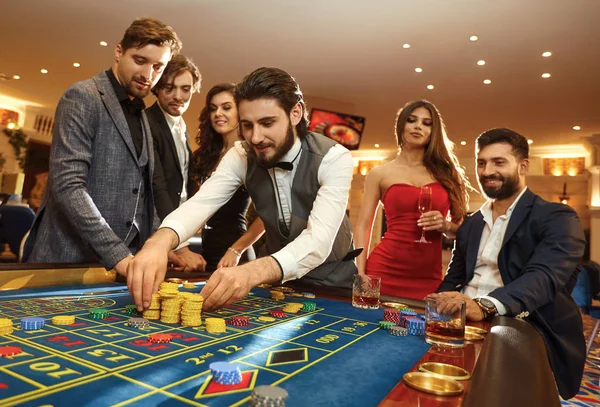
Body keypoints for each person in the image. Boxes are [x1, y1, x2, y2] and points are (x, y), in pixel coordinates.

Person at [127, 67, 357, 312]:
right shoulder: (241, 154)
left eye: (267, 123)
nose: (256, 137)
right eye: (247, 125)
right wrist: (159, 242)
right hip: (276, 284)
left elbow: (318, 241)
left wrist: (252, 272)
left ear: (295, 113)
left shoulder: (334, 157)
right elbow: (201, 203)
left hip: (332, 283)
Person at [431, 128, 586, 400]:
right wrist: (437, 307)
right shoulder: (471, 223)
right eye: (482, 162)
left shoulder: (557, 216)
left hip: (519, 323)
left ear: (523, 165)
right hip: (463, 322)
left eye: (499, 162)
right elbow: (452, 278)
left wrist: (484, 305)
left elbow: (544, 277)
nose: (487, 170)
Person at [22, 18, 182, 276]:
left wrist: (156, 244)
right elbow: (68, 186)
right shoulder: (83, 96)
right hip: (67, 260)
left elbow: (143, 194)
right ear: (118, 51)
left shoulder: (142, 114)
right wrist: (118, 255)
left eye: (158, 67)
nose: (148, 75)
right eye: (140, 61)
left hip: (118, 267)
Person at [354, 100, 470, 299]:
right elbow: (363, 226)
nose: (418, 126)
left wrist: (445, 226)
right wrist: (360, 273)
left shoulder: (448, 174)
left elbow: (464, 232)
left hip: (428, 276)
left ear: (433, 132)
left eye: (427, 123)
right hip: (383, 269)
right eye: (412, 120)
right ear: (401, 126)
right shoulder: (379, 173)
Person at [190, 83, 263, 272]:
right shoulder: (207, 155)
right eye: (213, 109)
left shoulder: (250, 155)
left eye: (226, 107)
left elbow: (267, 217)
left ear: (240, 112)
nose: (218, 113)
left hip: (235, 253)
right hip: (206, 250)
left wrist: (236, 250)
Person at [147, 54, 207, 272]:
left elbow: (180, 190)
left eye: (185, 89)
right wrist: (179, 245)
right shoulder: (147, 122)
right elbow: (157, 187)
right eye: (169, 88)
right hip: (154, 234)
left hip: (175, 233)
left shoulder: (182, 127)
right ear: (157, 88)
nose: (178, 96)